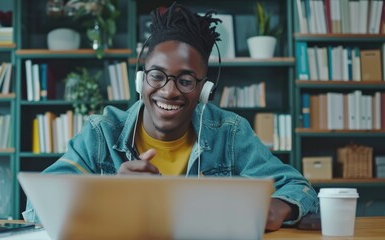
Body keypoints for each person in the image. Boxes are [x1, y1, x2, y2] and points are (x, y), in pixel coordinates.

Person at [23, 2, 318, 231]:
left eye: (186, 80)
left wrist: (278, 208)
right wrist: (109, 195)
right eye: (157, 76)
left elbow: (300, 189)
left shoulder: (229, 132)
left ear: (204, 91)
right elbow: (38, 206)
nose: (169, 91)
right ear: (141, 80)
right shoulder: (102, 133)